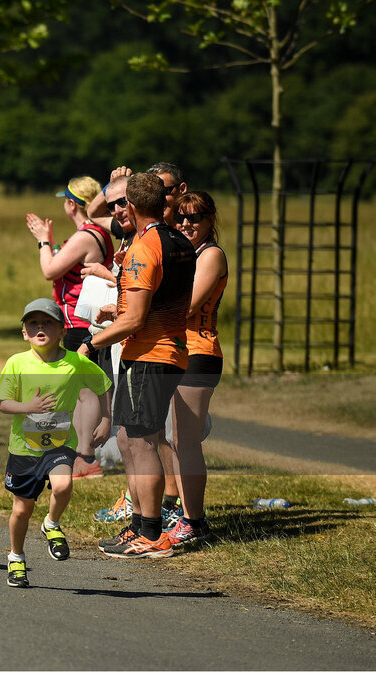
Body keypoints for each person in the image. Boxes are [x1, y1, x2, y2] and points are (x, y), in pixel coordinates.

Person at [78, 172, 195, 559]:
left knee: (143, 442)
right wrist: (122, 307)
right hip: (163, 351)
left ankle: (152, 532)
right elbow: (155, 301)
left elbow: (137, 319)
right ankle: (139, 526)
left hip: (150, 355)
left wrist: (90, 343)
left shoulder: (146, 247)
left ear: (130, 206)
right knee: (129, 438)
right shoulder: (178, 239)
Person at [0, 298, 111, 587]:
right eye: (33, 323)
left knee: (62, 485)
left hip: (59, 445)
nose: (40, 328)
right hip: (25, 448)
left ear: (62, 331)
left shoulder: (75, 362)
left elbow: (103, 385)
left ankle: (52, 523)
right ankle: (16, 557)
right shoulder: (17, 363)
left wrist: (107, 420)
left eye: (47, 322)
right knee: (22, 510)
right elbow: (3, 403)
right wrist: (28, 407)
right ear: (24, 332)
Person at [26, 176, 115, 480]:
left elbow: (49, 269)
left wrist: (43, 240)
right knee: (79, 390)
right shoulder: (96, 232)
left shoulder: (87, 235)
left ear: (70, 204)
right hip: (81, 320)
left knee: (85, 391)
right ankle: (79, 455)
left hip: (80, 322)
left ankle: (87, 458)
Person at [168, 191, 226, 548]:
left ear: (209, 221)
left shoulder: (211, 255)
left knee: (186, 440)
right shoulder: (184, 253)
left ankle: (195, 522)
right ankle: (184, 515)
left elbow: (188, 306)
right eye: (182, 217)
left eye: (196, 217)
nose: (187, 223)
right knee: (175, 439)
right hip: (176, 351)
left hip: (199, 352)